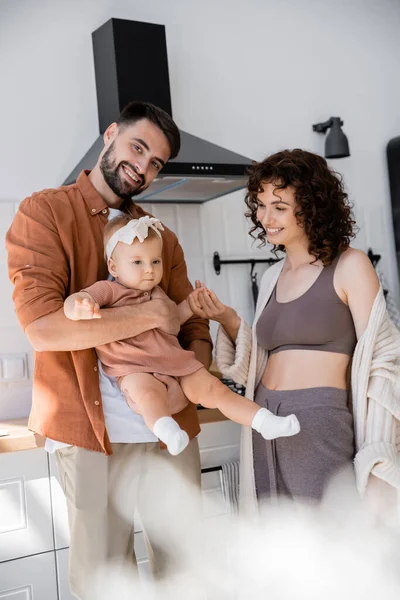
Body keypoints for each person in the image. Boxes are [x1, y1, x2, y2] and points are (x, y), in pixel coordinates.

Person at [7, 101, 212, 598]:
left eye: (156, 163)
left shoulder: (160, 236)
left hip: (170, 427)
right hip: (86, 429)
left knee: (186, 573)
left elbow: (196, 332)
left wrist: (185, 392)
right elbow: (44, 330)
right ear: (110, 134)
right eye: (137, 148)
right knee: (105, 581)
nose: (142, 167)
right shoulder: (45, 212)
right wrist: (148, 314)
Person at [188, 149, 400, 511]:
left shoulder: (350, 265)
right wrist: (228, 319)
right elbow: (258, 363)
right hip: (262, 418)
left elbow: (383, 358)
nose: (265, 217)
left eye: (280, 206)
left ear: (313, 207)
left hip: (318, 421)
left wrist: (380, 457)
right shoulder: (272, 277)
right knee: (277, 552)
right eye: (260, 204)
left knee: (328, 549)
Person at [64, 213, 300, 455]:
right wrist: (79, 305)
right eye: (138, 262)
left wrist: (191, 305)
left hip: (174, 361)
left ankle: (264, 421)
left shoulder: (157, 293)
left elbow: (172, 324)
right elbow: (77, 300)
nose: (149, 270)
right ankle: (167, 429)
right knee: (147, 394)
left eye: (155, 262)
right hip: (132, 367)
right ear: (114, 266)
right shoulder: (109, 290)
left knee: (214, 389)